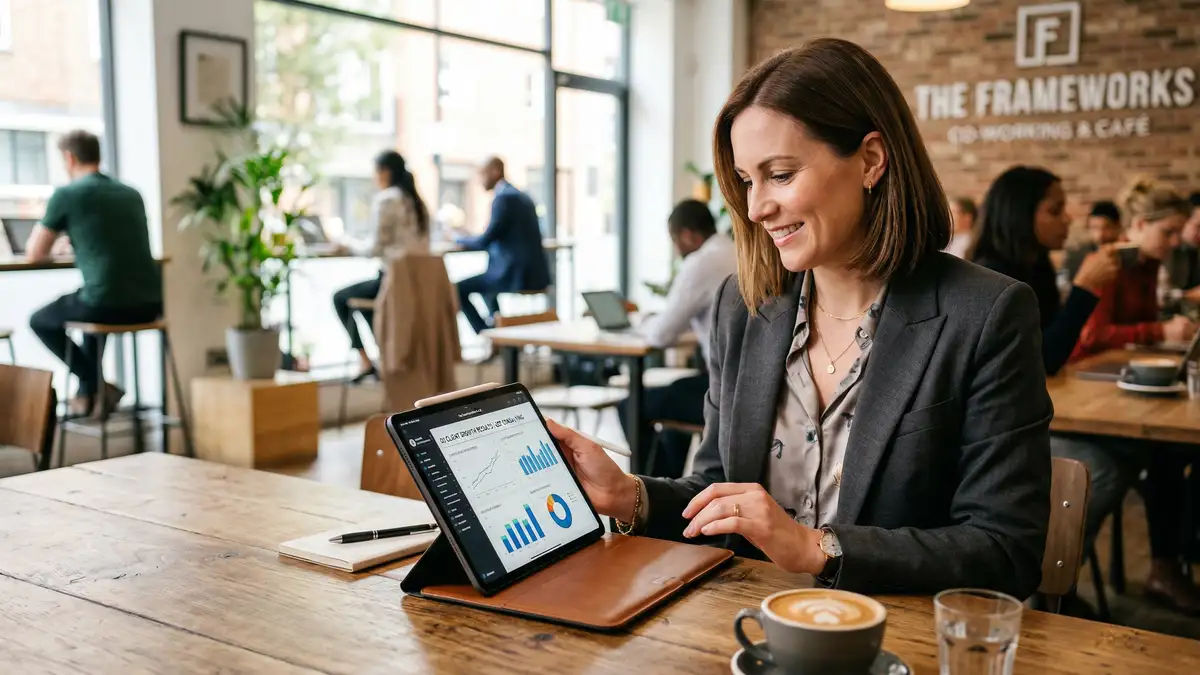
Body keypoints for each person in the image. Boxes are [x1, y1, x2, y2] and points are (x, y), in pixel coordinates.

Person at [548, 38, 1051, 597]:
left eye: (781, 174)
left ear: (871, 160)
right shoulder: (744, 308)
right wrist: (630, 496)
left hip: (891, 631)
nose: (756, 207)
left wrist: (818, 549)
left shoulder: (985, 313)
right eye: (747, 180)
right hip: (747, 623)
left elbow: (1006, 548)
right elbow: (719, 489)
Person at [25, 130, 161, 419]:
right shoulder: (131, 193)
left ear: (69, 158)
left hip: (107, 303)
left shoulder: (67, 194)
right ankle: (90, 396)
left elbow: (34, 252)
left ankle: (95, 386)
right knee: (91, 313)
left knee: (40, 320)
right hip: (151, 304)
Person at [618, 199, 737, 478]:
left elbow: (661, 335)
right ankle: (668, 485)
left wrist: (643, 324)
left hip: (725, 392)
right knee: (675, 394)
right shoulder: (733, 251)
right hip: (741, 383)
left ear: (687, 235)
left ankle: (650, 487)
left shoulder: (701, 262)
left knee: (632, 405)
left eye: (675, 240)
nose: (676, 248)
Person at [970, 167, 1118, 376]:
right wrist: (1084, 287)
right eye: (1055, 211)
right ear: (1020, 215)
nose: (1068, 219)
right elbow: (1043, 360)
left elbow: (1056, 344)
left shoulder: (1038, 265)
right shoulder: (992, 277)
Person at [331, 150, 430, 382]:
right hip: (418, 285)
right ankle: (385, 358)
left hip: (395, 283)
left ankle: (366, 361)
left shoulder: (387, 199)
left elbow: (374, 248)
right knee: (368, 304)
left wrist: (346, 245)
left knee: (340, 298)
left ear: (384, 172)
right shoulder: (417, 202)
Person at [1072, 178, 1197, 359]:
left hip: (1124, 362)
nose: (1176, 241)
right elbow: (1092, 336)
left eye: (1179, 232)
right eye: (1168, 232)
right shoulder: (1108, 261)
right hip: (1088, 367)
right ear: (1140, 224)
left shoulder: (1150, 262)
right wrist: (1161, 331)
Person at [455, 157, 550, 334]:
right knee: (487, 284)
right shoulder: (522, 196)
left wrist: (458, 239)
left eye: (483, 174)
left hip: (515, 275)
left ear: (495, 171)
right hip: (533, 273)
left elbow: (486, 240)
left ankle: (487, 334)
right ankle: (496, 331)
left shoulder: (504, 199)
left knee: (458, 288)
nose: (480, 181)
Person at [1063, 200, 1123, 281]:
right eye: (1094, 228)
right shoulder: (1077, 257)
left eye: (1106, 227)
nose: (1100, 235)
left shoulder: (1127, 255)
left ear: (1118, 227)